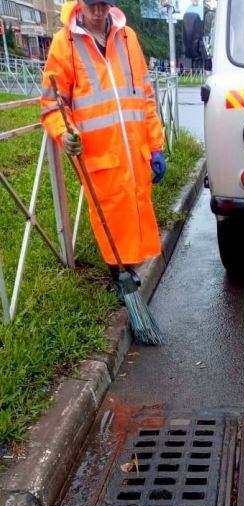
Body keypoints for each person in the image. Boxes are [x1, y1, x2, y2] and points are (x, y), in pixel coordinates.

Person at [40, 0, 166, 297]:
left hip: (135, 149)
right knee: (109, 215)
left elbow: (145, 95)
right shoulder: (65, 44)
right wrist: (63, 131)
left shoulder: (127, 37)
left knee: (136, 208)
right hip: (100, 153)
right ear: (80, 4)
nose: (98, 11)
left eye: (104, 4)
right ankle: (119, 273)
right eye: (92, 4)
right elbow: (52, 104)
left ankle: (130, 268)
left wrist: (156, 145)